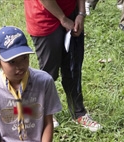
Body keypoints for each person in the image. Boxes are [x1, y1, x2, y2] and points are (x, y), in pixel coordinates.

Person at [24, 0, 102, 131]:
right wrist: (63, 18)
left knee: (73, 67)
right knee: (48, 72)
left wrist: (81, 13)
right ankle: (45, 112)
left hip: (72, 13)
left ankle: (79, 113)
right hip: (44, 17)